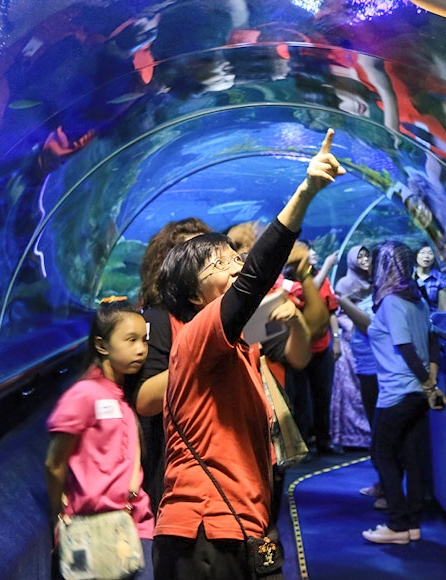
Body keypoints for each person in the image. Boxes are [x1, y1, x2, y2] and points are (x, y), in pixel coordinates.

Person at [152, 130, 343, 579]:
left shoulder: (238, 346)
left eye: (234, 257)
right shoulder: (197, 337)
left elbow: (302, 338)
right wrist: (305, 192)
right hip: (202, 529)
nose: (237, 265)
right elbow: (256, 277)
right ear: (195, 296)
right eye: (220, 263)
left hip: (242, 524)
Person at [45, 301, 155, 576]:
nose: (141, 349)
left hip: (135, 524)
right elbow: (54, 463)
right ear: (102, 345)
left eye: (144, 340)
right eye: (130, 340)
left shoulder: (120, 397)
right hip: (94, 529)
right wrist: (59, 516)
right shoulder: (84, 394)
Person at [125, 217, 212, 514]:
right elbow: (145, 399)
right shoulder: (156, 320)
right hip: (172, 465)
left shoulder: (222, 318)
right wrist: (201, 349)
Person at [362, 241, 445, 546]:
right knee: (411, 456)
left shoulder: (392, 302)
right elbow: (432, 337)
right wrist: (431, 374)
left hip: (398, 391)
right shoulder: (418, 298)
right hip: (416, 393)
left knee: (381, 453)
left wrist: (426, 382)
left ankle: (397, 524)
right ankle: (412, 524)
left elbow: (405, 347)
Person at [276, 239, 340, 455]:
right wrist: (327, 266)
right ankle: (302, 443)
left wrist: (336, 339)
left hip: (322, 348)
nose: (308, 253)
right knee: (300, 398)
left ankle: (324, 439)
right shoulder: (285, 282)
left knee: (322, 394)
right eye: (302, 251)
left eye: (308, 250)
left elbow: (329, 309)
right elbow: (305, 294)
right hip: (298, 350)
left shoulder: (319, 277)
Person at [330, 245, 374, 450]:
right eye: (360, 256)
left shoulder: (373, 280)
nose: (364, 259)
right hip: (351, 342)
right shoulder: (344, 283)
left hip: (371, 343)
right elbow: (337, 313)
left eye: (367, 255)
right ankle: (350, 436)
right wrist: (346, 331)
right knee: (351, 392)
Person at [414, 243, 446, 311]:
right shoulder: (408, 274)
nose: (426, 256)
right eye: (422, 253)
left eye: (430, 253)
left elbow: (443, 309)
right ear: (416, 255)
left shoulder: (439, 278)